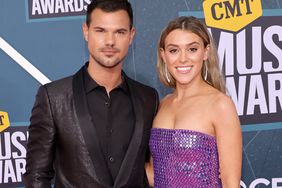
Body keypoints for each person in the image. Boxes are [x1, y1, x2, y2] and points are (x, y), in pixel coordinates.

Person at [23, 0, 159, 187]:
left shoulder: (148, 98)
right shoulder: (53, 97)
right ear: (86, 32)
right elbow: (37, 176)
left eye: (120, 32)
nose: (110, 41)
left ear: (131, 35)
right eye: (100, 31)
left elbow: (149, 169)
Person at [146, 16, 242, 188]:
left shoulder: (220, 105)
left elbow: (231, 183)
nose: (183, 59)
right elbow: (156, 175)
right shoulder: (162, 104)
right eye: (174, 50)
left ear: (205, 52)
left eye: (192, 49)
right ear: (163, 55)